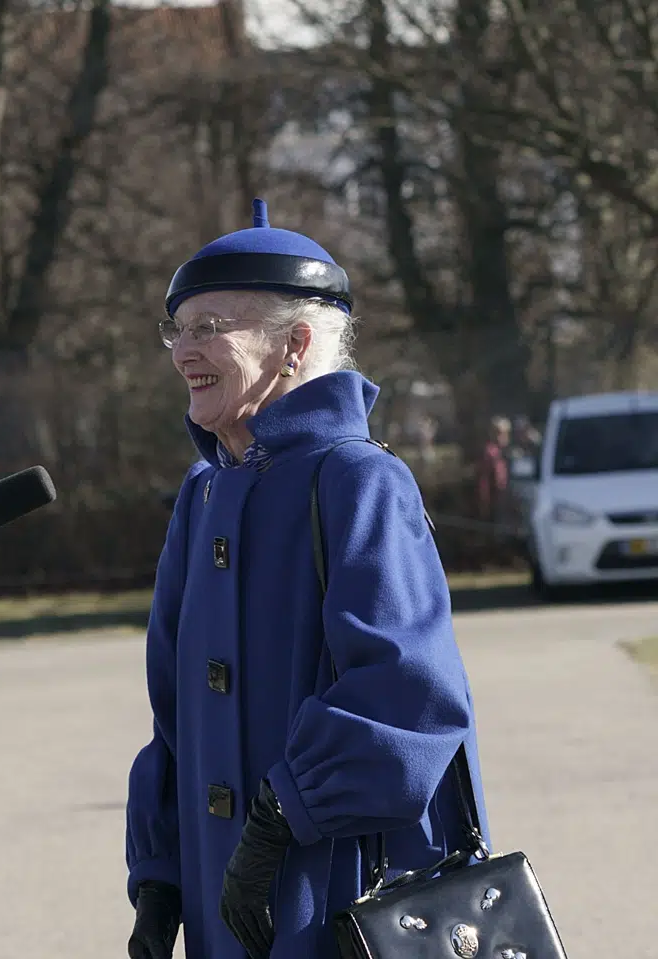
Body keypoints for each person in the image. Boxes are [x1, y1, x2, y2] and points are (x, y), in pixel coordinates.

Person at [124, 200, 490, 959]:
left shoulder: (361, 481)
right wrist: (159, 877)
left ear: (293, 345)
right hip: (222, 902)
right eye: (177, 329)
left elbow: (410, 698)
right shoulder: (201, 497)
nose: (181, 350)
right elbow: (172, 715)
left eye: (209, 327)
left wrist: (274, 826)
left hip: (341, 897)